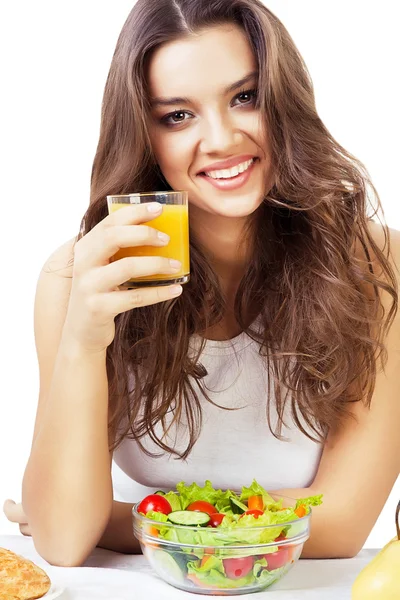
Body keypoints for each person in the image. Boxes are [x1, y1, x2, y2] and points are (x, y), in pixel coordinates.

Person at [3, 0, 400, 567]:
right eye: (177, 115)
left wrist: (121, 517)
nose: (220, 140)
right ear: (143, 134)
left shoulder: (371, 262)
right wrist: (83, 340)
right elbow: (64, 539)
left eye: (246, 97)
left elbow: (337, 523)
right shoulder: (79, 278)